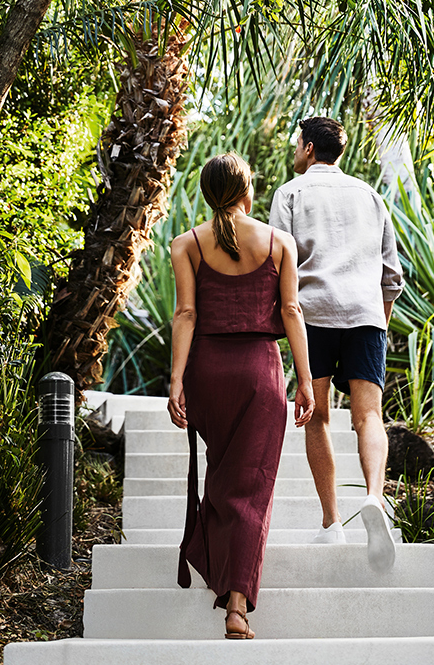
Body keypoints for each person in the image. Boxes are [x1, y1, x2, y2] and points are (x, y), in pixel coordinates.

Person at [168, 152, 314, 639]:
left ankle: (219, 569)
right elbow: (291, 311)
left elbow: (185, 315)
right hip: (259, 373)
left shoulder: (185, 244)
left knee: (227, 475)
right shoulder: (279, 243)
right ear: (248, 191)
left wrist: (175, 381)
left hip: (207, 373)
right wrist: (307, 381)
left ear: (208, 194)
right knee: (251, 485)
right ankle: (237, 607)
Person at [269, 116, 404, 572]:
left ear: (308, 148)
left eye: (296, 146)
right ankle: (373, 497)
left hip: (313, 316)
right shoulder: (370, 196)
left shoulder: (290, 193)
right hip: (366, 315)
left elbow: (279, 263)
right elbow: (392, 275)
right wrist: (376, 324)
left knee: (318, 415)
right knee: (369, 415)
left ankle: (331, 523)